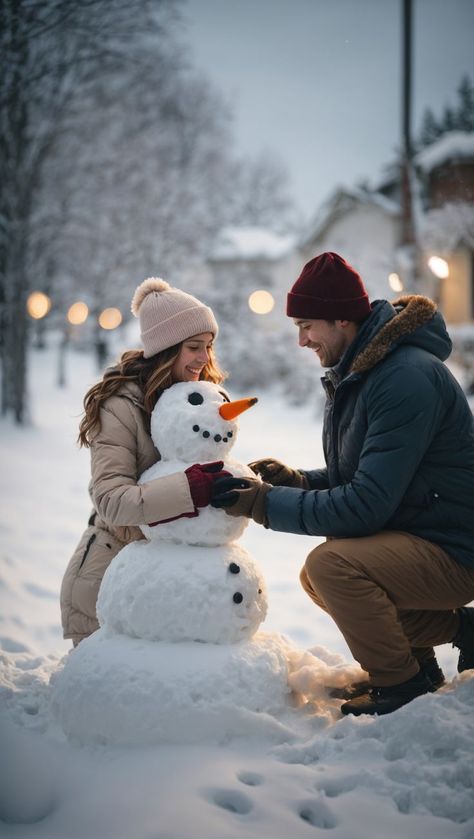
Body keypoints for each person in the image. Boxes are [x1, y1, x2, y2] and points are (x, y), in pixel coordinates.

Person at [211, 251, 474, 716]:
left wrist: (265, 505)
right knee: (320, 577)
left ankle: (402, 685)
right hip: (420, 532)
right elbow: (366, 478)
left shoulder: (405, 378)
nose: (302, 340)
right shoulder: (366, 372)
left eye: (307, 325)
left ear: (342, 320)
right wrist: (297, 481)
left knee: (335, 567)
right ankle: (445, 645)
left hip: (456, 548)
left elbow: (366, 504)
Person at [61, 278, 229, 646]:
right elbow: (110, 501)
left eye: (208, 347)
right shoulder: (120, 406)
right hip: (112, 577)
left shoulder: (195, 400)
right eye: (193, 347)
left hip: (165, 575)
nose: (204, 358)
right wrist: (191, 489)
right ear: (167, 349)